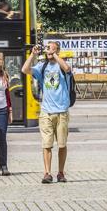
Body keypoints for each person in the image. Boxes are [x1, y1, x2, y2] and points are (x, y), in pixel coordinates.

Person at [22, 41, 72, 184]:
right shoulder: (42, 66)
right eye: (48, 48)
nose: (49, 50)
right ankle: (47, 173)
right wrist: (33, 54)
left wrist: (54, 55)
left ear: (58, 50)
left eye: (52, 48)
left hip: (62, 111)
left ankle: (61, 172)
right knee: (46, 144)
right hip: (46, 112)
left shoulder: (61, 65)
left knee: (62, 144)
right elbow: (25, 69)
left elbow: (67, 68)